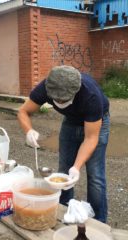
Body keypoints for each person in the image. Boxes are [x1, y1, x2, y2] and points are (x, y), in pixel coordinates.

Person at [17, 65, 110, 223]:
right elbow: (23, 111)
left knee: (95, 175)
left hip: (97, 123)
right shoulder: (46, 87)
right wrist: (29, 131)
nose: (59, 101)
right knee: (64, 170)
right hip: (70, 121)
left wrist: (77, 166)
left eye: (64, 99)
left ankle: (99, 221)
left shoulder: (91, 96)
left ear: (75, 91)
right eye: (56, 98)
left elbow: (90, 138)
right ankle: (63, 212)